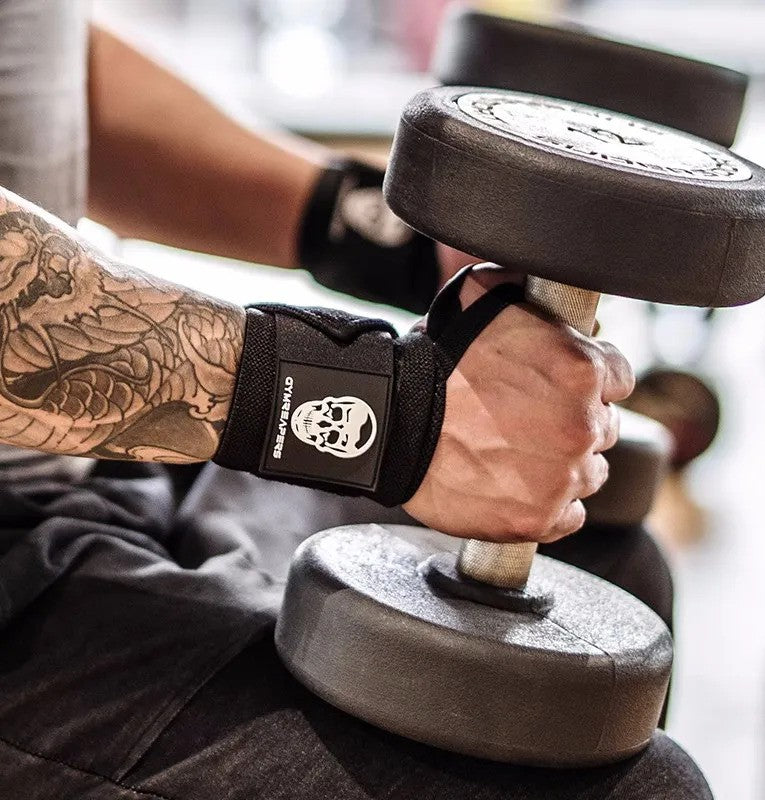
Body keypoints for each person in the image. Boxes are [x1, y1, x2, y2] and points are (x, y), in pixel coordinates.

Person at [0, 2, 712, 797]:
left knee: (605, 565)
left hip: (89, 467)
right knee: (636, 788)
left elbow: (36, 69)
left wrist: (387, 235)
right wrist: (387, 413)